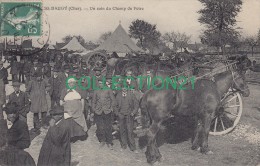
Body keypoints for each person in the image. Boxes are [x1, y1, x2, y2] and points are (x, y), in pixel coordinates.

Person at [92, 80, 116, 149]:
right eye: (99, 83)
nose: (101, 84)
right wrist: (94, 109)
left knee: (108, 127)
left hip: (107, 111)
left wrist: (111, 108)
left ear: (105, 83)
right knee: (100, 127)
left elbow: (113, 100)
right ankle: (102, 140)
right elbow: (93, 101)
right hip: (98, 111)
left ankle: (109, 142)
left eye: (102, 83)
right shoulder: (96, 90)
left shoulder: (108, 90)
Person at [115, 87, 139, 153]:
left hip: (129, 116)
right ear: (121, 88)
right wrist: (117, 113)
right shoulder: (118, 95)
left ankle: (133, 148)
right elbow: (115, 105)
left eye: (125, 87)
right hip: (121, 115)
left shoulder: (131, 95)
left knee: (130, 131)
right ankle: (123, 145)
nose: (124, 88)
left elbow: (136, 104)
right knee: (122, 131)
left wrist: (133, 113)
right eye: (123, 87)